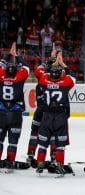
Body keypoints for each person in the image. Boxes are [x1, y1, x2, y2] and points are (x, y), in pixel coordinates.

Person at [35, 54, 75, 175]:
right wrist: (63, 64)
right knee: (60, 144)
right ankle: (59, 165)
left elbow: (42, 74)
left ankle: (40, 164)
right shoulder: (65, 82)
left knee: (42, 143)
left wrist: (51, 66)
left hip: (46, 115)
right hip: (60, 116)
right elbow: (72, 76)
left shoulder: (44, 80)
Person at [0, 42, 29, 170]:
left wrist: (8, 55)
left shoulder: (1, 76)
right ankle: (10, 161)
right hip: (15, 113)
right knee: (13, 141)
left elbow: (1, 64)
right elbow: (26, 68)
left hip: (1, 112)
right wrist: (16, 56)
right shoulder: (19, 77)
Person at [26, 48, 57, 166]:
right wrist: (55, 61)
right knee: (53, 134)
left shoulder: (41, 78)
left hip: (40, 110)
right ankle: (53, 157)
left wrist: (49, 60)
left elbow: (39, 69)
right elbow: (65, 73)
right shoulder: (58, 81)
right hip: (51, 113)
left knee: (34, 132)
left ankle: (30, 156)